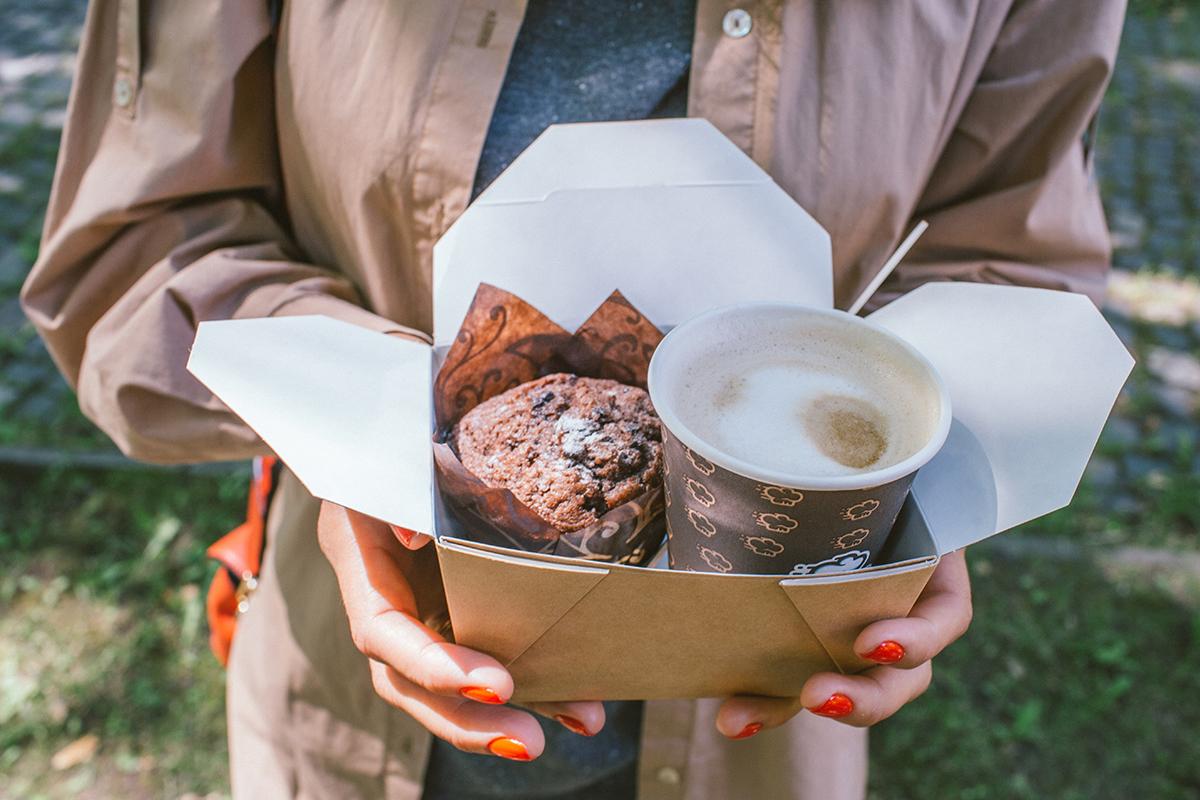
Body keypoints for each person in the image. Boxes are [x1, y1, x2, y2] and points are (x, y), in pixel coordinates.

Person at [21, 0, 1125, 797]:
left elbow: (1013, 265)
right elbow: (135, 256)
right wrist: (370, 434)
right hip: (346, 710)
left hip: (763, 743)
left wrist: (925, 495)